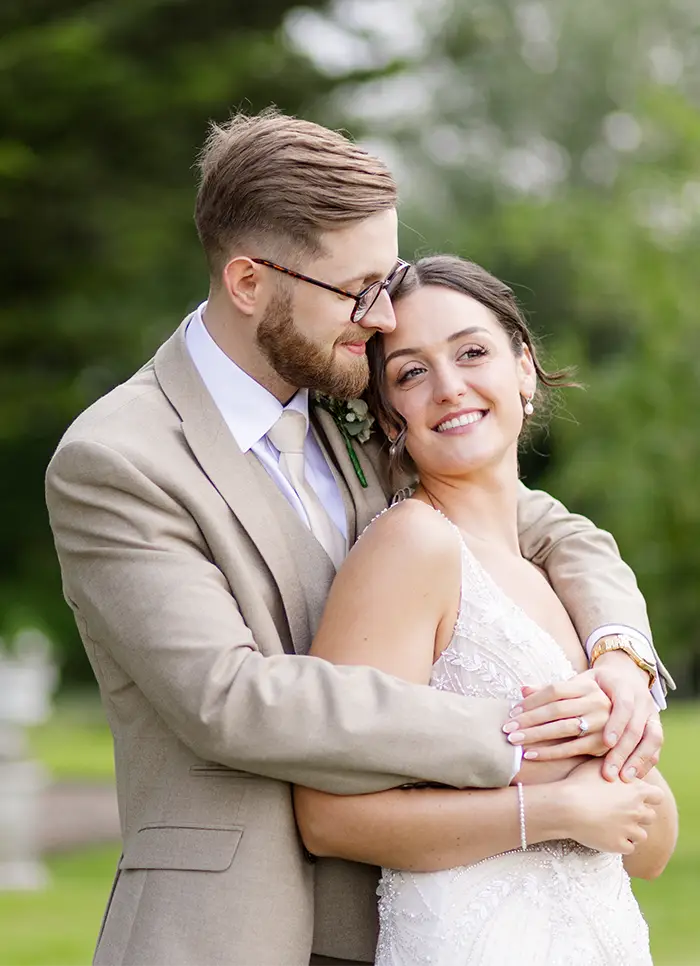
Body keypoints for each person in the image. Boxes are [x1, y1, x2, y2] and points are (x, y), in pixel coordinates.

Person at [45, 110, 671, 966]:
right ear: (248, 282)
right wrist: (515, 737)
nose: (381, 318)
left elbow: (536, 520)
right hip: (228, 931)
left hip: (412, 917)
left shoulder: (354, 407)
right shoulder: (117, 459)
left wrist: (619, 652)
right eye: (358, 288)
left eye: (388, 279)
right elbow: (227, 699)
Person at [294, 255, 678, 965]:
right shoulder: (410, 547)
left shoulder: (553, 575)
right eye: (411, 372)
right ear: (389, 414)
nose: (449, 387)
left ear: (524, 367)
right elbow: (327, 818)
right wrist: (554, 809)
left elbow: (650, 847)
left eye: (472, 352)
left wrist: (612, 745)